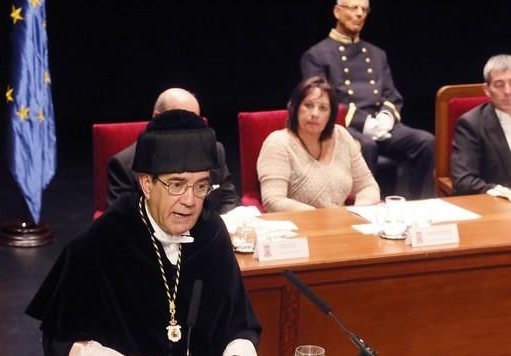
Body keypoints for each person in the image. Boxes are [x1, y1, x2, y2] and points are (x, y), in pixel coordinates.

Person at [27, 109, 264, 356]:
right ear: (147, 184)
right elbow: (59, 341)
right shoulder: (102, 241)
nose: (190, 201)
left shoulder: (212, 233)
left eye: (200, 186)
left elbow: (238, 321)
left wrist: (239, 354)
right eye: (177, 185)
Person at [300, 0, 434, 199]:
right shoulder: (316, 55)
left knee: (425, 142)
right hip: (343, 125)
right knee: (367, 146)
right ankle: (365, 210)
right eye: (354, 8)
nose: (360, 14)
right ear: (337, 11)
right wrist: (365, 123)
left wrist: (386, 117)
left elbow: (391, 94)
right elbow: (319, 101)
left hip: (380, 123)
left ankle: (414, 204)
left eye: (364, 9)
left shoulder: (377, 54)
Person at [108, 88, 241, 214]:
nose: (190, 132)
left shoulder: (214, 151)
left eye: (195, 123)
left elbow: (229, 200)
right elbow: (122, 222)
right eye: (182, 122)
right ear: (157, 118)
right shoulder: (125, 165)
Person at [257, 76, 380, 212]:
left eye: (323, 108)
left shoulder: (341, 136)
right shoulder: (277, 143)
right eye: (308, 105)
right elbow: (273, 201)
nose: (315, 114)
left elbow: (368, 186)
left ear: (331, 115)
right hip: (298, 228)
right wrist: (320, 218)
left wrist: (358, 212)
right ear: (295, 108)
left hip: (342, 224)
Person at [451, 54, 511, 195]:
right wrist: (502, 193)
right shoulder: (470, 124)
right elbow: (463, 181)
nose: (508, 91)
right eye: (499, 85)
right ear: (487, 90)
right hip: (497, 207)